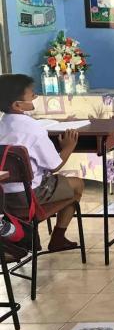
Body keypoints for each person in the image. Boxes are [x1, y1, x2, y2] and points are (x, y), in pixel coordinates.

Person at [0, 74, 84, 257]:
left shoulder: (2, 125)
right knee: (77, 184)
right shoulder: (33, 128)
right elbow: (55, 166)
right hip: (29, 197)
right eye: (31, 95)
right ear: (17, 105)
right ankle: (58, 238)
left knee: (58, 183)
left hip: (3, 198)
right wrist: (68, 147)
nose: (35, 97)